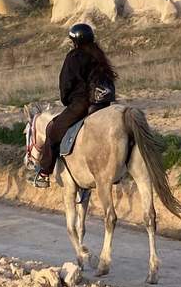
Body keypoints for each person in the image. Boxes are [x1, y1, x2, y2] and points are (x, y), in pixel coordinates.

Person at [29, 23, 117, 188]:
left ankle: (43, 173)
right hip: (104, 104)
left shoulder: (74, 56)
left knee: (54, 131)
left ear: (75, 41)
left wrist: (67, 100)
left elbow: (66, 83)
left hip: (82, 103)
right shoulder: (98, 55)